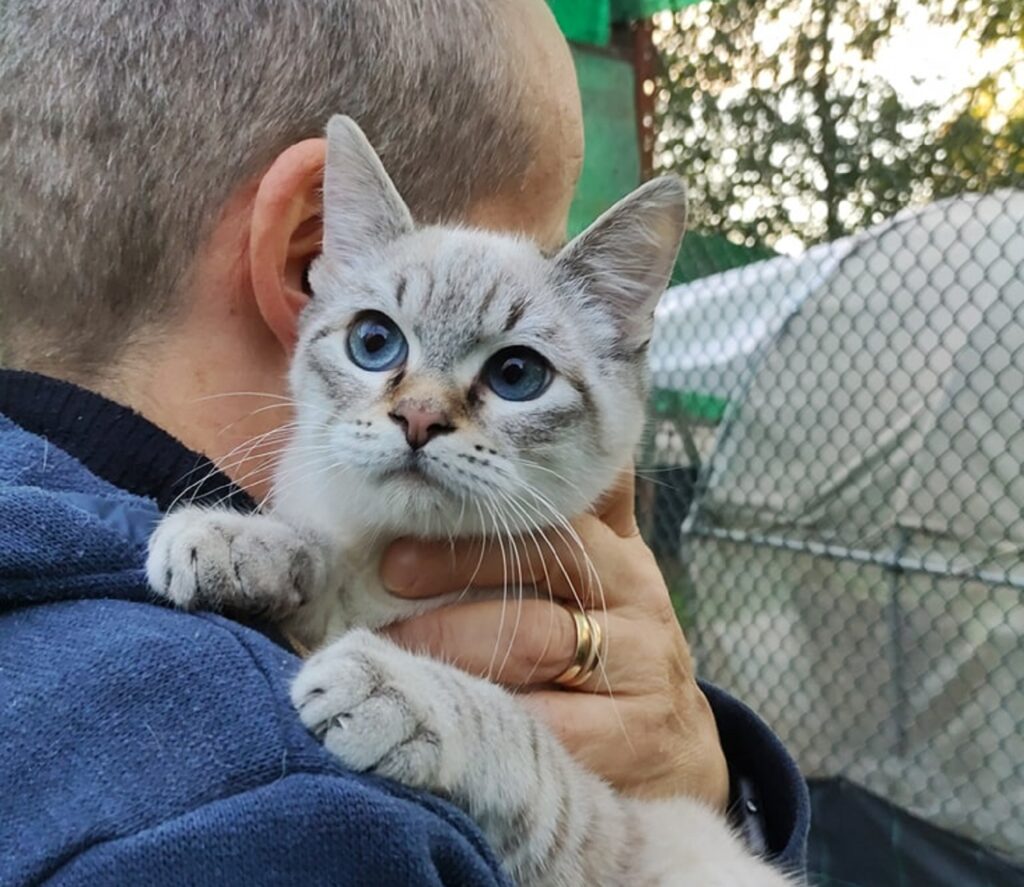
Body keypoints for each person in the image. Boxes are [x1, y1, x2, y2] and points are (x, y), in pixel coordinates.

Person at [0, 1, 809, 884]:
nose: (422, 414)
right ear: (311, 257)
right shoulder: (258, 805)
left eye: (514, 369)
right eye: (377, 342)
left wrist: (711, 789)